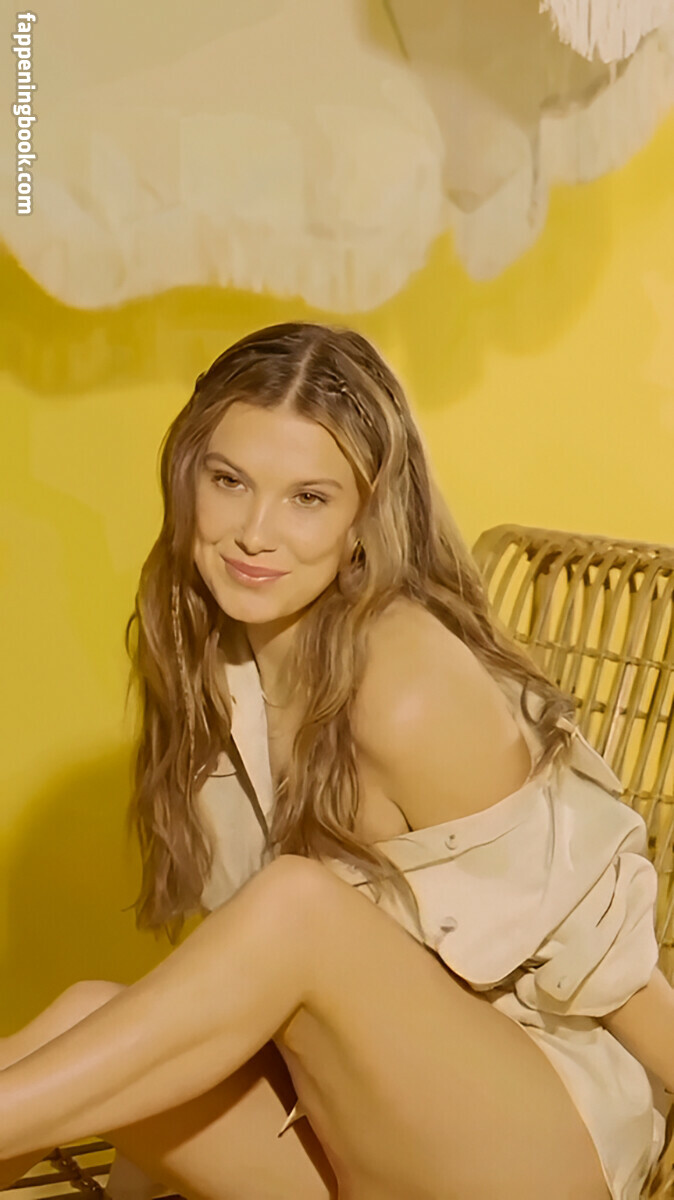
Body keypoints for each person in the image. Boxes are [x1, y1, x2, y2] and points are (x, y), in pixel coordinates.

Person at [1, 321, 673, 1200]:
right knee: (91, 1016)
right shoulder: (211, 659)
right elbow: (232, 1010)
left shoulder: (407, 686)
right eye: (230, 481)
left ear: (366, 517)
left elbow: (614, 972)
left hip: (541, 1153)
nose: (255, 534)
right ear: (188, 476)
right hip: (367, 1140)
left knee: (299, 905)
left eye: (308, 498)